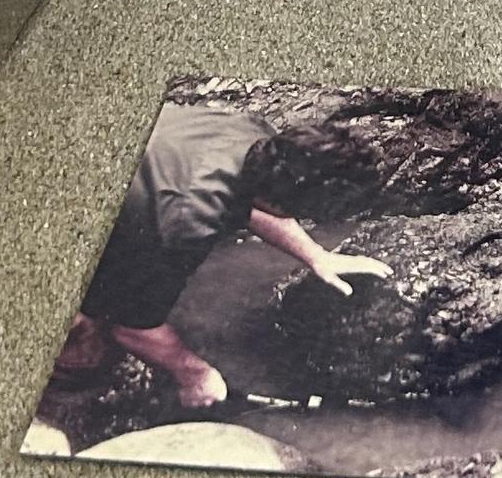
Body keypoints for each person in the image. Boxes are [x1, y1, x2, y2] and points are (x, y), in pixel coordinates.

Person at [76, 89, 391, 409]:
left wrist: (317, 255)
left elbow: (253, 203)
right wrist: (194, 373)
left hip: (101, 135)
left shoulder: (254, 133)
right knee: (89, 345)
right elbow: (130, 326)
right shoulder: (186, 221)